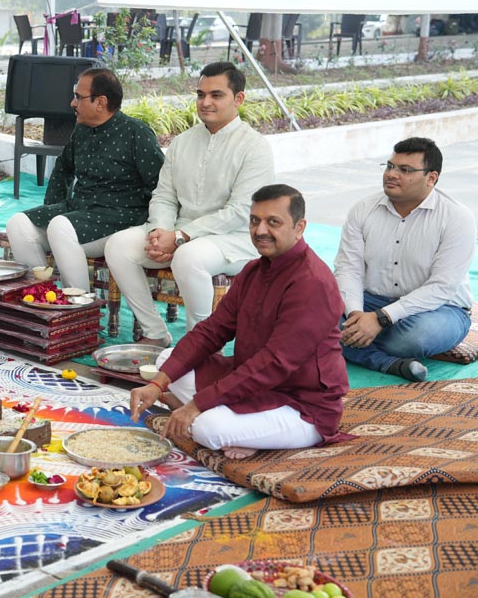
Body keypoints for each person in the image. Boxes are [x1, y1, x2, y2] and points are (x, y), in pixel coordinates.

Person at [130, 184, 351, 460]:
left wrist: (198, 405)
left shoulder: (312, 283)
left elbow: (274, 363)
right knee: (166, 362)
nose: (260, 230)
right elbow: (212, 331)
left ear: (299, 227)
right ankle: (243, 428)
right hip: (253, 384)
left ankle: (246, 430)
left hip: (302, 406)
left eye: (273, 222)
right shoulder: (254, 270)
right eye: (255, 220)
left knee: (207, 428)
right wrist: (158, 385)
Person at [104, 61, 274, 346]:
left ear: (239, 98)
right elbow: (165, 195)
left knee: (189, 255)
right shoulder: (183, 142)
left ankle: (201, 347)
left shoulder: (254, 147)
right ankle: (155, 333)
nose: (205, 102)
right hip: (180, 232)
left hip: (233, 239)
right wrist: (160, 231)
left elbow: (241, 211)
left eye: (216, 95)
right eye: (200, 94)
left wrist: (180, 237)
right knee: (119, 245)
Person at [5, 68, 164, 292]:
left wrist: (146, 226)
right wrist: (52, 207)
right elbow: (63, 169)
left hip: (120, 217)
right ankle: (44, 298)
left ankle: (79, 308)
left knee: (61, 226)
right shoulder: (81, 131)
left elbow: (161, 186)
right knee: (19, 224)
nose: (72, 103)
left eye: (78, 97)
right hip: (80, 212)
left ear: (101, 102)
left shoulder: (135, 133)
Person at [334, 137, 475, 382]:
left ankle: (343, 341)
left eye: (405, 170)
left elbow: (442, 287)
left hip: (439, 310)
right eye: (389, 166)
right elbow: (349, 268)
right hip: (370, 301)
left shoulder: (457, 217)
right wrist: (356, 314)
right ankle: (388, 363)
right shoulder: (363, 209)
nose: (391, 174)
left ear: (431, 178)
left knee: (416, 338)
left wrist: (381, 318)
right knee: (307, 310)